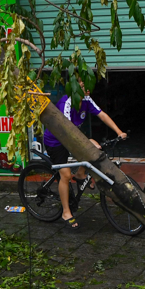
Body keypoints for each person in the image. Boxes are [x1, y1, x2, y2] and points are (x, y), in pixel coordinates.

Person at [41, 92, 127, 230]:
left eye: (87, 85)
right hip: (56, 141)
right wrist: (88, 141)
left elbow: (102, 114)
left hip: (71, 137)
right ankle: (66, 212)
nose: (86, 89)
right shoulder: (66, 102)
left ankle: (81, 175)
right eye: (81, 85)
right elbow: (68, 129)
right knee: (66, 175)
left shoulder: (86, 99)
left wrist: (119, 131)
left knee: (93, 152)